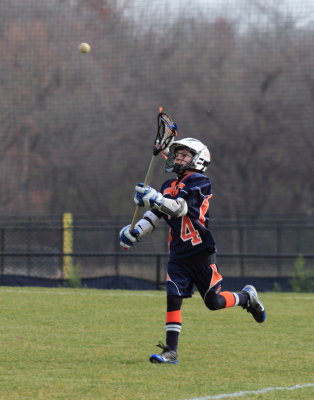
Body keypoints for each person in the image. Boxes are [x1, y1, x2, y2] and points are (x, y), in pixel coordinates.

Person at [119, 137, 266, 364]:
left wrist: (154, 198)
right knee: (173, 296)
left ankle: (247, 298)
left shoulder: (200, 181)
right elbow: (155, 215)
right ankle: (170, 352)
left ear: (198, 160)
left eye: (185, 155)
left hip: (200, 251)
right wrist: (136, 231)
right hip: (178, 253)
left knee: (213, 302)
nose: (179, 158)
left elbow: (179, 209)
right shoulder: (167, 185)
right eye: (177, 154)